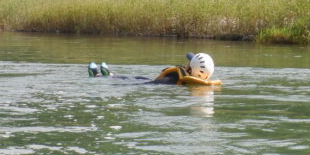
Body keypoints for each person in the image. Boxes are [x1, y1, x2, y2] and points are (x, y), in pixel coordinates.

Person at [87, 52, 217, 85]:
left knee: (133, 79)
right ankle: (110, 74)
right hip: (154, 83)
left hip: (150, 85)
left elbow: (152, 84)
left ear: (191, 67)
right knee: (139, 78)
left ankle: (99, 75)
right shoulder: (200, 86)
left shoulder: (174, 78)